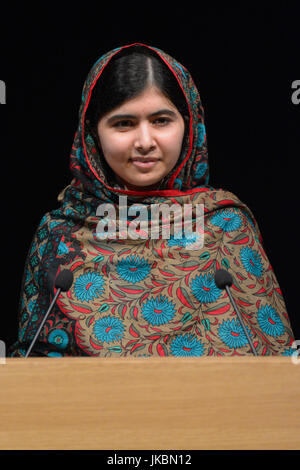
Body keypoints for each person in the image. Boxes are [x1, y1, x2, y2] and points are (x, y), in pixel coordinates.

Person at [10, 43, 295, 357]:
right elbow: (35, 363)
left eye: (161, 121)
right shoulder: (60, 235)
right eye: (124, 124)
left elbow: (274, 361)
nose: (145, 142)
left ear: (189, 125)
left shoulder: (224, 226)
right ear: (92, 132)